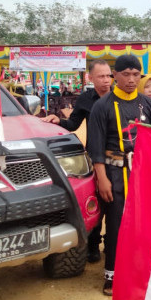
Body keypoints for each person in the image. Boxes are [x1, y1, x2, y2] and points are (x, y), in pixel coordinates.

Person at [87, 55, 151, 296]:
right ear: (115, 76)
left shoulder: (147, 105)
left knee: (142, 223)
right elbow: (95, 146)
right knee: (117, 225)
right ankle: (112, 274)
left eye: (135, 75)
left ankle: (139, 270)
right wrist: (102, 178)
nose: (131, 80)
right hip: (114, 172)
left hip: (141, 174)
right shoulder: (102, 105)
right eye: (125, 74)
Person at [43, 60, 114, 263]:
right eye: (101, 76)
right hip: (94, 156)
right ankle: (92, 245)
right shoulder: (85, 99)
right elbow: (73, 123)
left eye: (108, 75)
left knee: (116, 204)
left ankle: (111, 244)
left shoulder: (118, 97)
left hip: (116, 156)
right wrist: (59, 121)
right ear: (90, 78)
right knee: (97, 200)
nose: (106, 80)